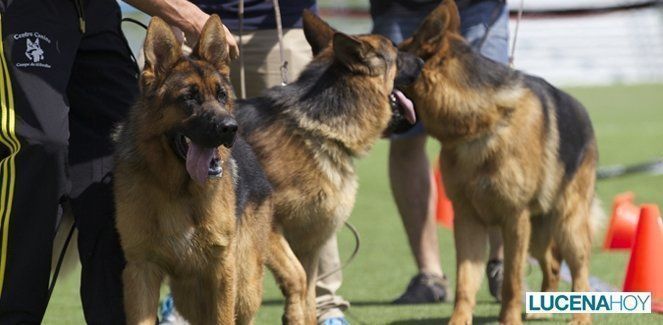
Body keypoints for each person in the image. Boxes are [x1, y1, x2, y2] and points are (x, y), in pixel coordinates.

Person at [0, 0, 235, 323]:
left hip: (96, 13)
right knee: (40, 147)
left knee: (117, 158)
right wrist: (179, 9)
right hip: (28, 9)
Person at [155, 1, 351, 324]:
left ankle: (325, 306)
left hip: (279, 29)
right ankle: (180, 302)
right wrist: (174, 15)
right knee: (179, 165)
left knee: (310, 183)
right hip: (193, 26)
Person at [369, 0, 510, 304]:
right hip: (398, 9)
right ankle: (429, 276)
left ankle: (502, 266)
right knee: (404, 135)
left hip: (478, 8)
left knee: (493, 135)